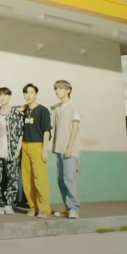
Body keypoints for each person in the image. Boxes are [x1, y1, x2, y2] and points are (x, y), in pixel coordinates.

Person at [0, 87, 24, 215]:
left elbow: (21, 132)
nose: (2, 97)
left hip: (12, 152)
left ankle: (9, 205)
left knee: (12, 179)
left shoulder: (16, 113)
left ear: (9, 97)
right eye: (0, 95)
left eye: (5, 95)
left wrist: (18, 149)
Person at [20, 83, 53, 218]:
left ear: (36, 94)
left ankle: (44, 209)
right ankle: (34, 208)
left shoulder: (43, 110)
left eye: (31, 92)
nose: (28, 95)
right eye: (26, 93)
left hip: (38, 145)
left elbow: (46, 131)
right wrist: (23, 108)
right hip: (25, 146)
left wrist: (44, 150)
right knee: (27, 180)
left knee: (40, 179)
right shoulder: (24, 111)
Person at [50, 79, 81, 219]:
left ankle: (74, 208)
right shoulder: (57, 107)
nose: (57, 91)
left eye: (60, 88)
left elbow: (75, 127)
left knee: (69, 179)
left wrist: (70, 146)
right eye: (56, 88)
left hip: (69, 149)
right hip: (59, 149)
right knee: (61, 180)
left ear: (68, 90)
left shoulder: (73, 107)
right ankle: (68, 208)